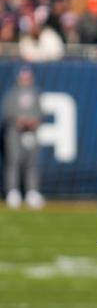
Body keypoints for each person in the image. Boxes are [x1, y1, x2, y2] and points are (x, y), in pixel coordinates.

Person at [2, 63, 44, 208]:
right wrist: (18, 120)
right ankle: (12, 191)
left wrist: (34, 121)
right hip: (14, 132)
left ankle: (32, 191)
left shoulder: (36, 92)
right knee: (13, 161)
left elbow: (41, 112)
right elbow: (7, 113)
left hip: (31, 133)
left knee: (31, 163)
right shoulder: (12, 93)